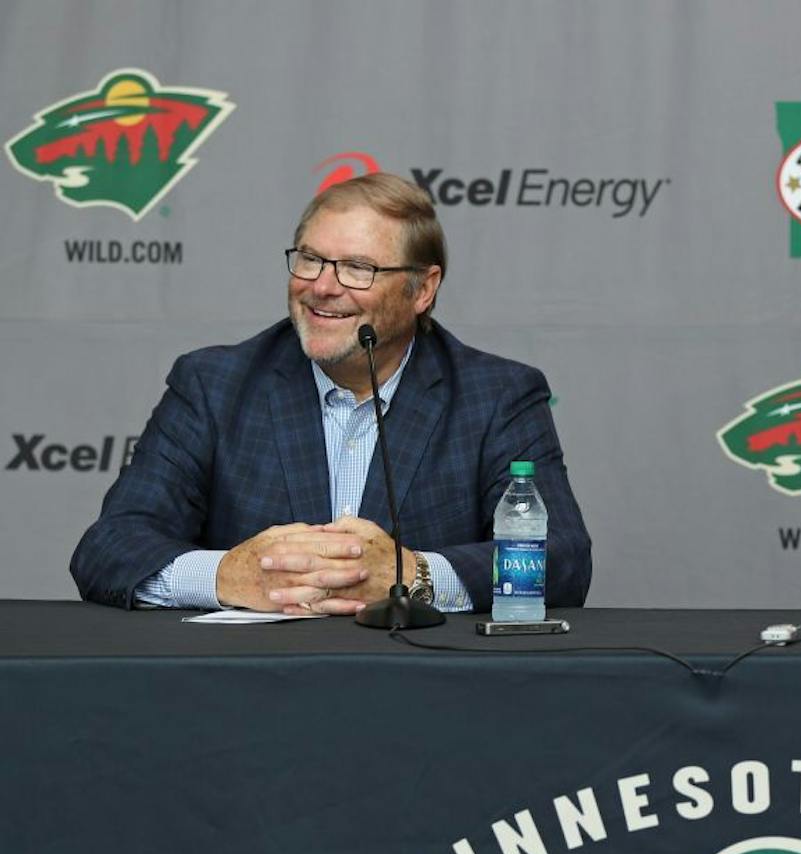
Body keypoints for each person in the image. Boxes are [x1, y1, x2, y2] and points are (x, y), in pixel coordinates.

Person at [71, 173, 591, 615]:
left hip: (425, 697)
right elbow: (109, 548)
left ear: (423, 289)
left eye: (357, 268)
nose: (322, 286)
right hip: (249, 692)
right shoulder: (214, 385)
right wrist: (230, 575)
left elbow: (562, 559)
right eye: (310, 259)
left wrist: (417, 574)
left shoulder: (496, 396)